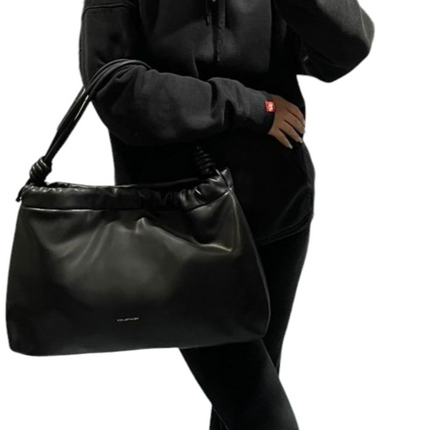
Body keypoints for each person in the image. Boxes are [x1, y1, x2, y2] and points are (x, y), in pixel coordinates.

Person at [78, 1, 375, 428]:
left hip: (278, 215)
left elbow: (347, 47)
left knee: (242, 410)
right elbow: (114, 86)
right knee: (261, 414)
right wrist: (249, 106)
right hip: (175, 228)